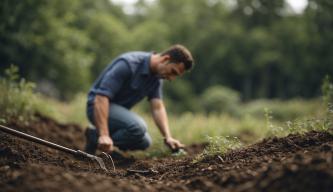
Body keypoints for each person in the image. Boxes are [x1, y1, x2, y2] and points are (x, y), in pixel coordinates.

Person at [84, 44, 194, 155]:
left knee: (144, 142)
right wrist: (104, 134)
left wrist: (168, 137)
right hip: (96, 107)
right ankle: (102, 139)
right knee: (138, 127)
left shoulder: (156, 78)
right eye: (173, 71)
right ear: (166, 59)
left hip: (114, 114)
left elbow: (157, 108)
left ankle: (94, 137)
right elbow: (101, 97)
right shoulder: (128, 64)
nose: (171, 78)